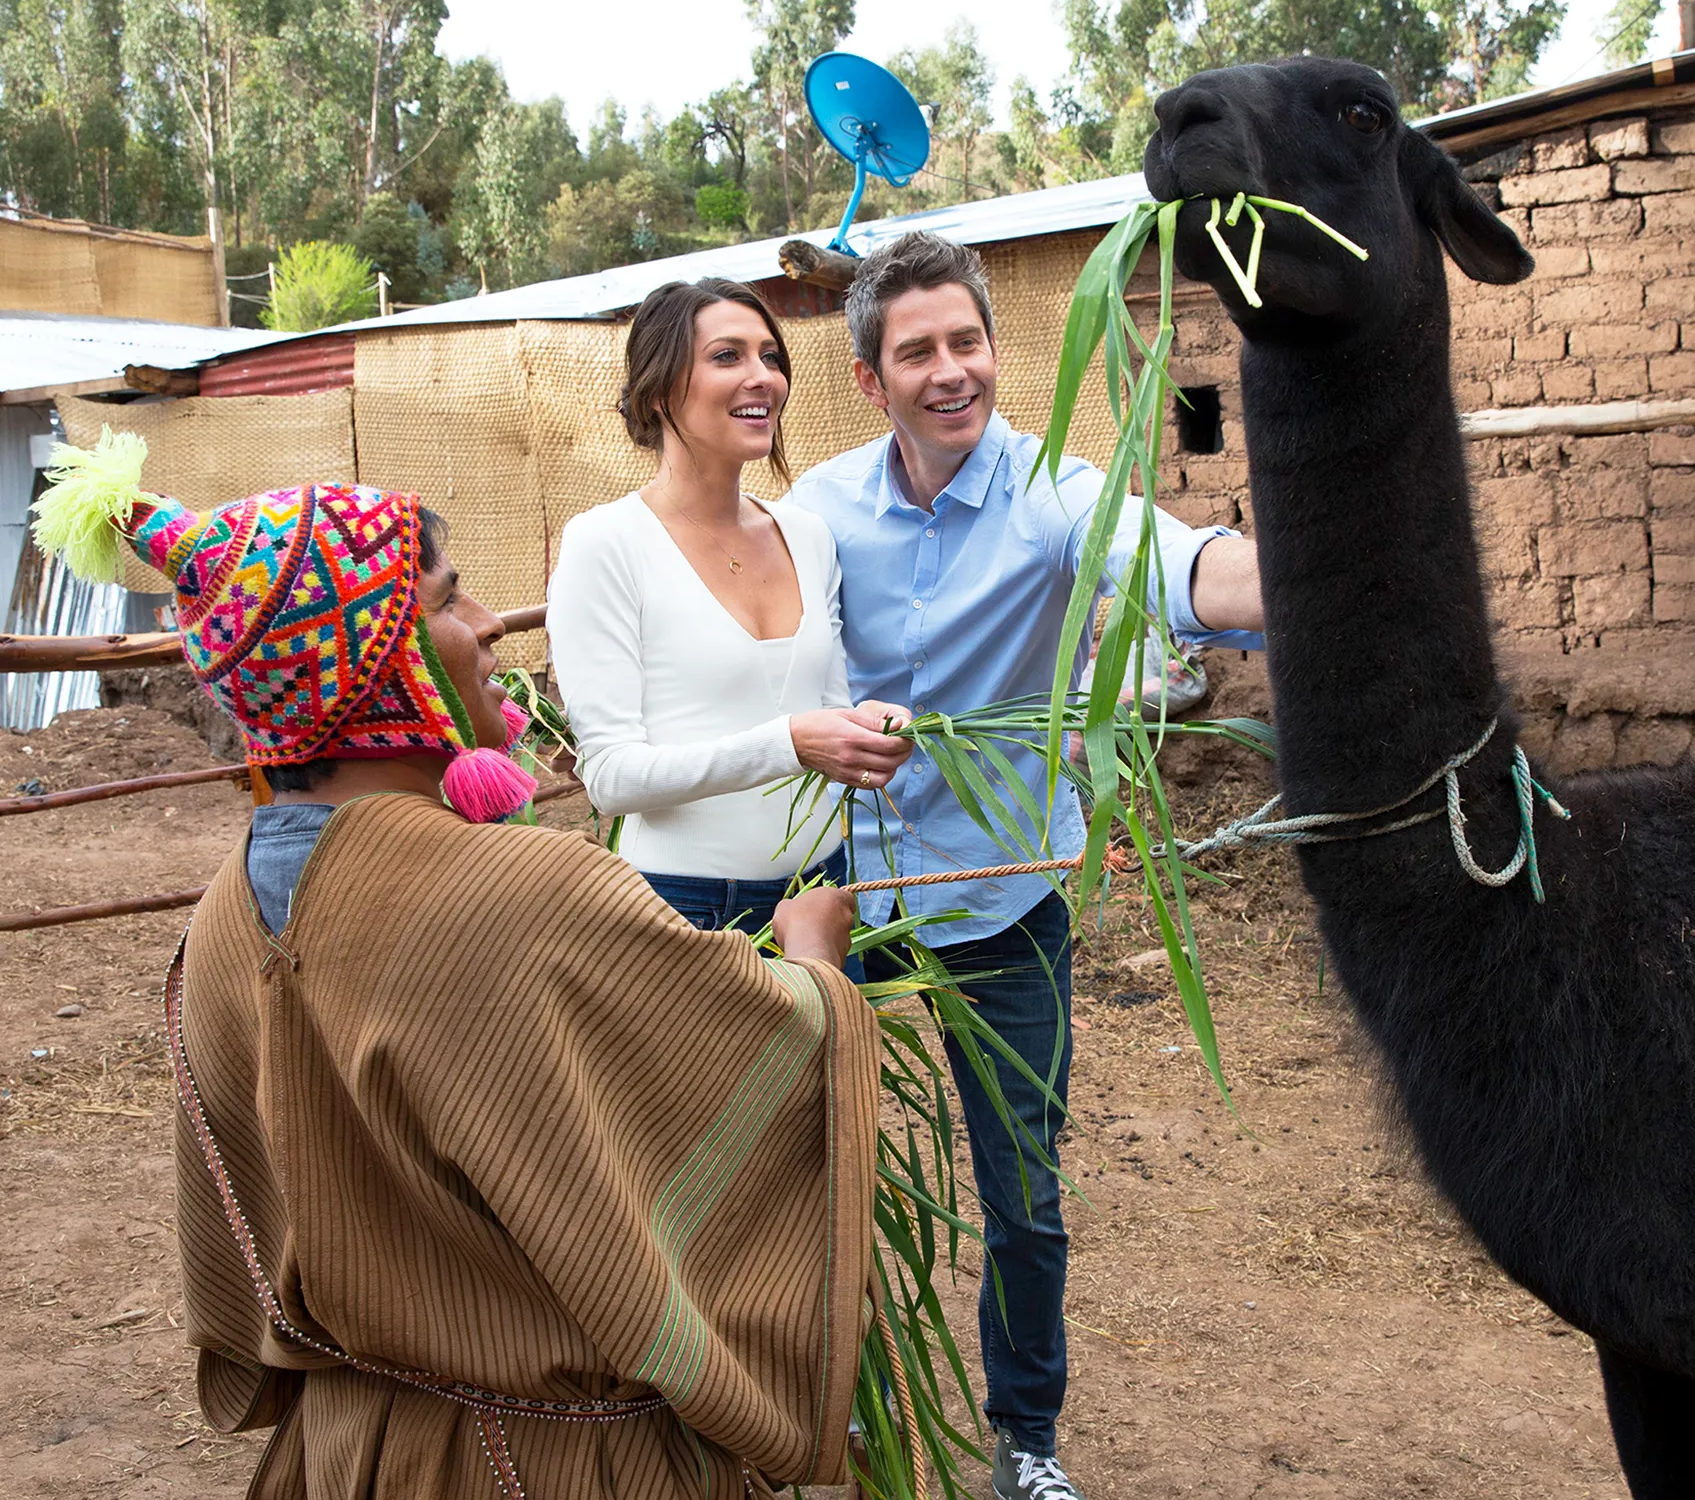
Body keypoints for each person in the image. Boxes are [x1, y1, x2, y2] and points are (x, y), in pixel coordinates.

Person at [31, 438, 878, 1498]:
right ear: (376, 662)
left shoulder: (217, 923)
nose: (485, 623)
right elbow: (751, 1071)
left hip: (351, 1454)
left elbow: (236, 1232)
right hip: (565, 1462)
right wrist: (813, 969)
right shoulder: (530, 894)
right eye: (448, 596)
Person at [786, 232, 1266, 1500]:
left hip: (1002, 901)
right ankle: (814, 1407)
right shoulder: (820, 511)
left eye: (968, 341)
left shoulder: (1056, 489)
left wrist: (1306, 575)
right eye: (917, 350)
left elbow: (1172, 565)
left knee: (1022, 1196)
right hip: (850, 901)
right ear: (866, 379)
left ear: (997, 350)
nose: (951, 370)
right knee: (818, 1170)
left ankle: (1026, 1439)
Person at [546, 278, 911, 937]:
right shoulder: (606, 544)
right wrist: (791, 743)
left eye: (771, 357)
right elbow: (610, 778)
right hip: (684, 908)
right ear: (658, 390)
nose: (762, 377)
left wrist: (863, 727)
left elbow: (822, 707)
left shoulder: (807, 535)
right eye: (727, 357)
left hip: (819, 895)